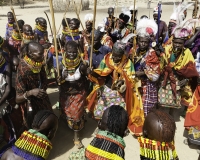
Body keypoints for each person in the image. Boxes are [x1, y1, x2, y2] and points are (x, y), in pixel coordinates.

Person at [87, 41, 144, 136]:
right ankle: (101, 127)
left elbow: (132, 79)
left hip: (119, 93)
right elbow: (100, 74)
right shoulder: (107, 59)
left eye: (118, 56)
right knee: (100, 110)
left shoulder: (127, 63)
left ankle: (117, 129)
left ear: (122, 54)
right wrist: (91, 72)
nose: (115, 58)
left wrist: (124, 81)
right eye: (114, 55)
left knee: (118, 113)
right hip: (107, 89)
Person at [160, 19, 199, 121]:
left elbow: (191, 71)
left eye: (180, 43)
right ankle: (164, 119)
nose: (177, 45)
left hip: (179, 81)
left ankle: (171, 119)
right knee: (163, 103)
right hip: (167, 79)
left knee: (175, 103)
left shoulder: (187, 53)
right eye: (175, 42)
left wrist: (185, 81)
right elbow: (161, 65)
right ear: (172, 41)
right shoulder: (167, 49)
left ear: (183, 44)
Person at [58, 41, 88, 148]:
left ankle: (76, 137)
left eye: (74, 52)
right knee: (67, 112)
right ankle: (67, 121)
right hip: (65, 95)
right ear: (65, 51)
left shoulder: (82, 66)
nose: (71, 54)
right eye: (69, 52)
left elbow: (87, 78)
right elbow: (57, 82)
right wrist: (61, 77)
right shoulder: (61, 65)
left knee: (76, 116)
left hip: (78, 94)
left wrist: (89, 71)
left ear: (78, 51)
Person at [15, 42, 52, 129]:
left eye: (43, 53)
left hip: (42, 99)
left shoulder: (38, 63)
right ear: (31, 54)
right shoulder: (23, 70)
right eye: (40, 54)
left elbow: (44, 80)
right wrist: (31, 92)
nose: (43, 56)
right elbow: (18, 99)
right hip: (30, 104)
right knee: (35, 128)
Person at [134, 18, 160, 117]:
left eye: (145, 42)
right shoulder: (133, 51)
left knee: (145, 108)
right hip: (135, 82)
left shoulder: (152, 53)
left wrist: (144, 73)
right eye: (141, 41)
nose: (143, 44)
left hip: (147, 84)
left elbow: (156, 73)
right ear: (138, 41)